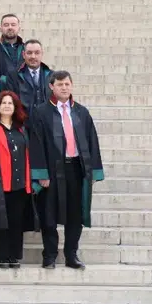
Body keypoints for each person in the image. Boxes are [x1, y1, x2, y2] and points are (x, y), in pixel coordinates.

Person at [32, 71, 103, 270]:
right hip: (52, 171)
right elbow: (36, 144)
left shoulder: (81, 112)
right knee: (49, 214)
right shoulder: (41, 112)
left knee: (75, 215)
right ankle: (50, 255)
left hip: (76, 170)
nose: (64, 88)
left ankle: (71, 254)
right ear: (51, 87)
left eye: (67, 84)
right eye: (60, 84)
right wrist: (41, 174)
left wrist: (93, 172)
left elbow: (92, 142)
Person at [0, 91, 45, 268]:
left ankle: (14, 255)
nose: (7, 106)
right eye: (4, 103)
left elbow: (31, 154)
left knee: (16, 221)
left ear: (15, 107)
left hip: (20, 183)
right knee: (0, 221)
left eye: (10, 103)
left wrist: (33, 180)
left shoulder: (22, 129)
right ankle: (1, 256)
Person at [12, 40, 53, 114]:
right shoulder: (13, 76)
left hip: (46, 123)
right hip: (23, 123)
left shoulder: (52, 76)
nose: (33, 56)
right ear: (23, 55)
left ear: (42, 54)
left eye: (37, 53)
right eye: (29, 53)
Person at [0, 13, 25, 78]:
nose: (10, 27)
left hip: (23, 87)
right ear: (1, 29)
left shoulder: (26, 48)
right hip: (1, 87)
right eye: (6, 25)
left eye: (13, 25)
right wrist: (6, 81)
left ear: (19, 28)